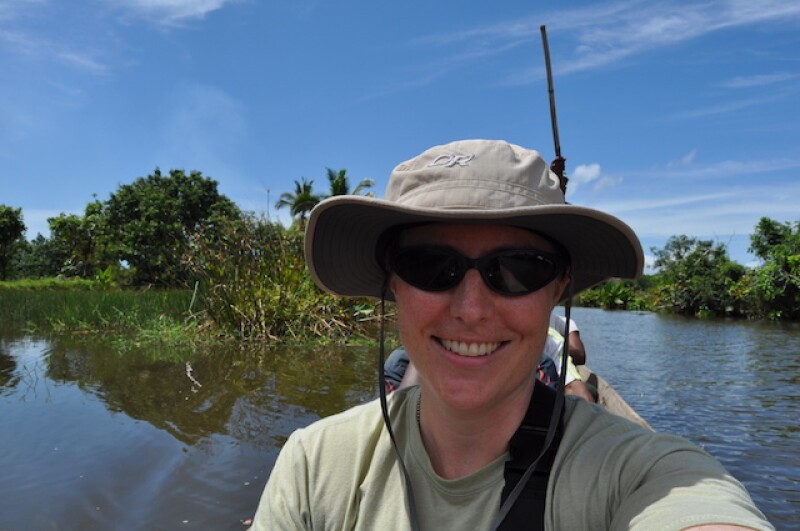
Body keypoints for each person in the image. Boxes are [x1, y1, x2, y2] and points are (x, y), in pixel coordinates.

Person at [250, 139, 771, 530]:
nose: (472, 310)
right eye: (431, 266)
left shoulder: (636, 472)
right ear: (393, 283)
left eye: (519, 270)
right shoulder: (313, 464)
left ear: (558, 288)